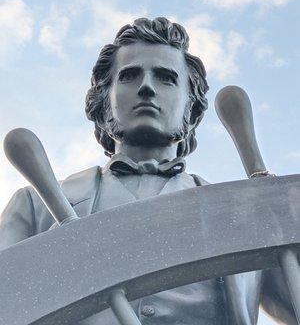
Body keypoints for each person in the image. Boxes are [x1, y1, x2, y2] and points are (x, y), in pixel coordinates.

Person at [0, 18, 296, 324]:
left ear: (192, 109)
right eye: (129, 76)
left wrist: (282, 219)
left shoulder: (247, 214)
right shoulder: (34, 207)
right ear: (104, 101)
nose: (146, 87)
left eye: (166, 78)